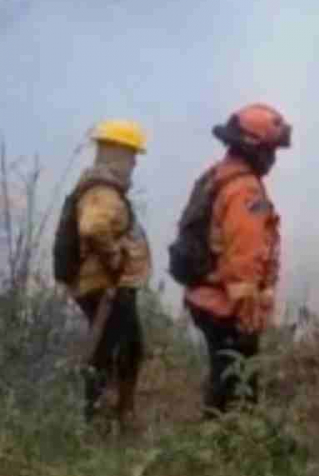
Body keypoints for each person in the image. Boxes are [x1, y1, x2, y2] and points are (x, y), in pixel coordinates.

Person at [171, 103, 291, 416]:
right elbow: (244, 258)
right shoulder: (245, 191)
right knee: (237, 393)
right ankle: (223, 456)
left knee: (222, 382)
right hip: (226, 305)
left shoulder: (217, 175)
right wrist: (248, 315)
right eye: (271, 150)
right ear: (256, 148)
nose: (273, 159)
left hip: (206, 296)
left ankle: (214, 449)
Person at [51, 119, 151, 432]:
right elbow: (93, 227)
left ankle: (120, 415)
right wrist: (114, 256)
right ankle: (97, 425)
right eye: (132, 154)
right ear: (116, 152)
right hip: (106, 286)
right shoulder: (102, 190)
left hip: (112, 285)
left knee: (131, 346)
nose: (134, 162)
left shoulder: (102, 187)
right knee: (105, 354)